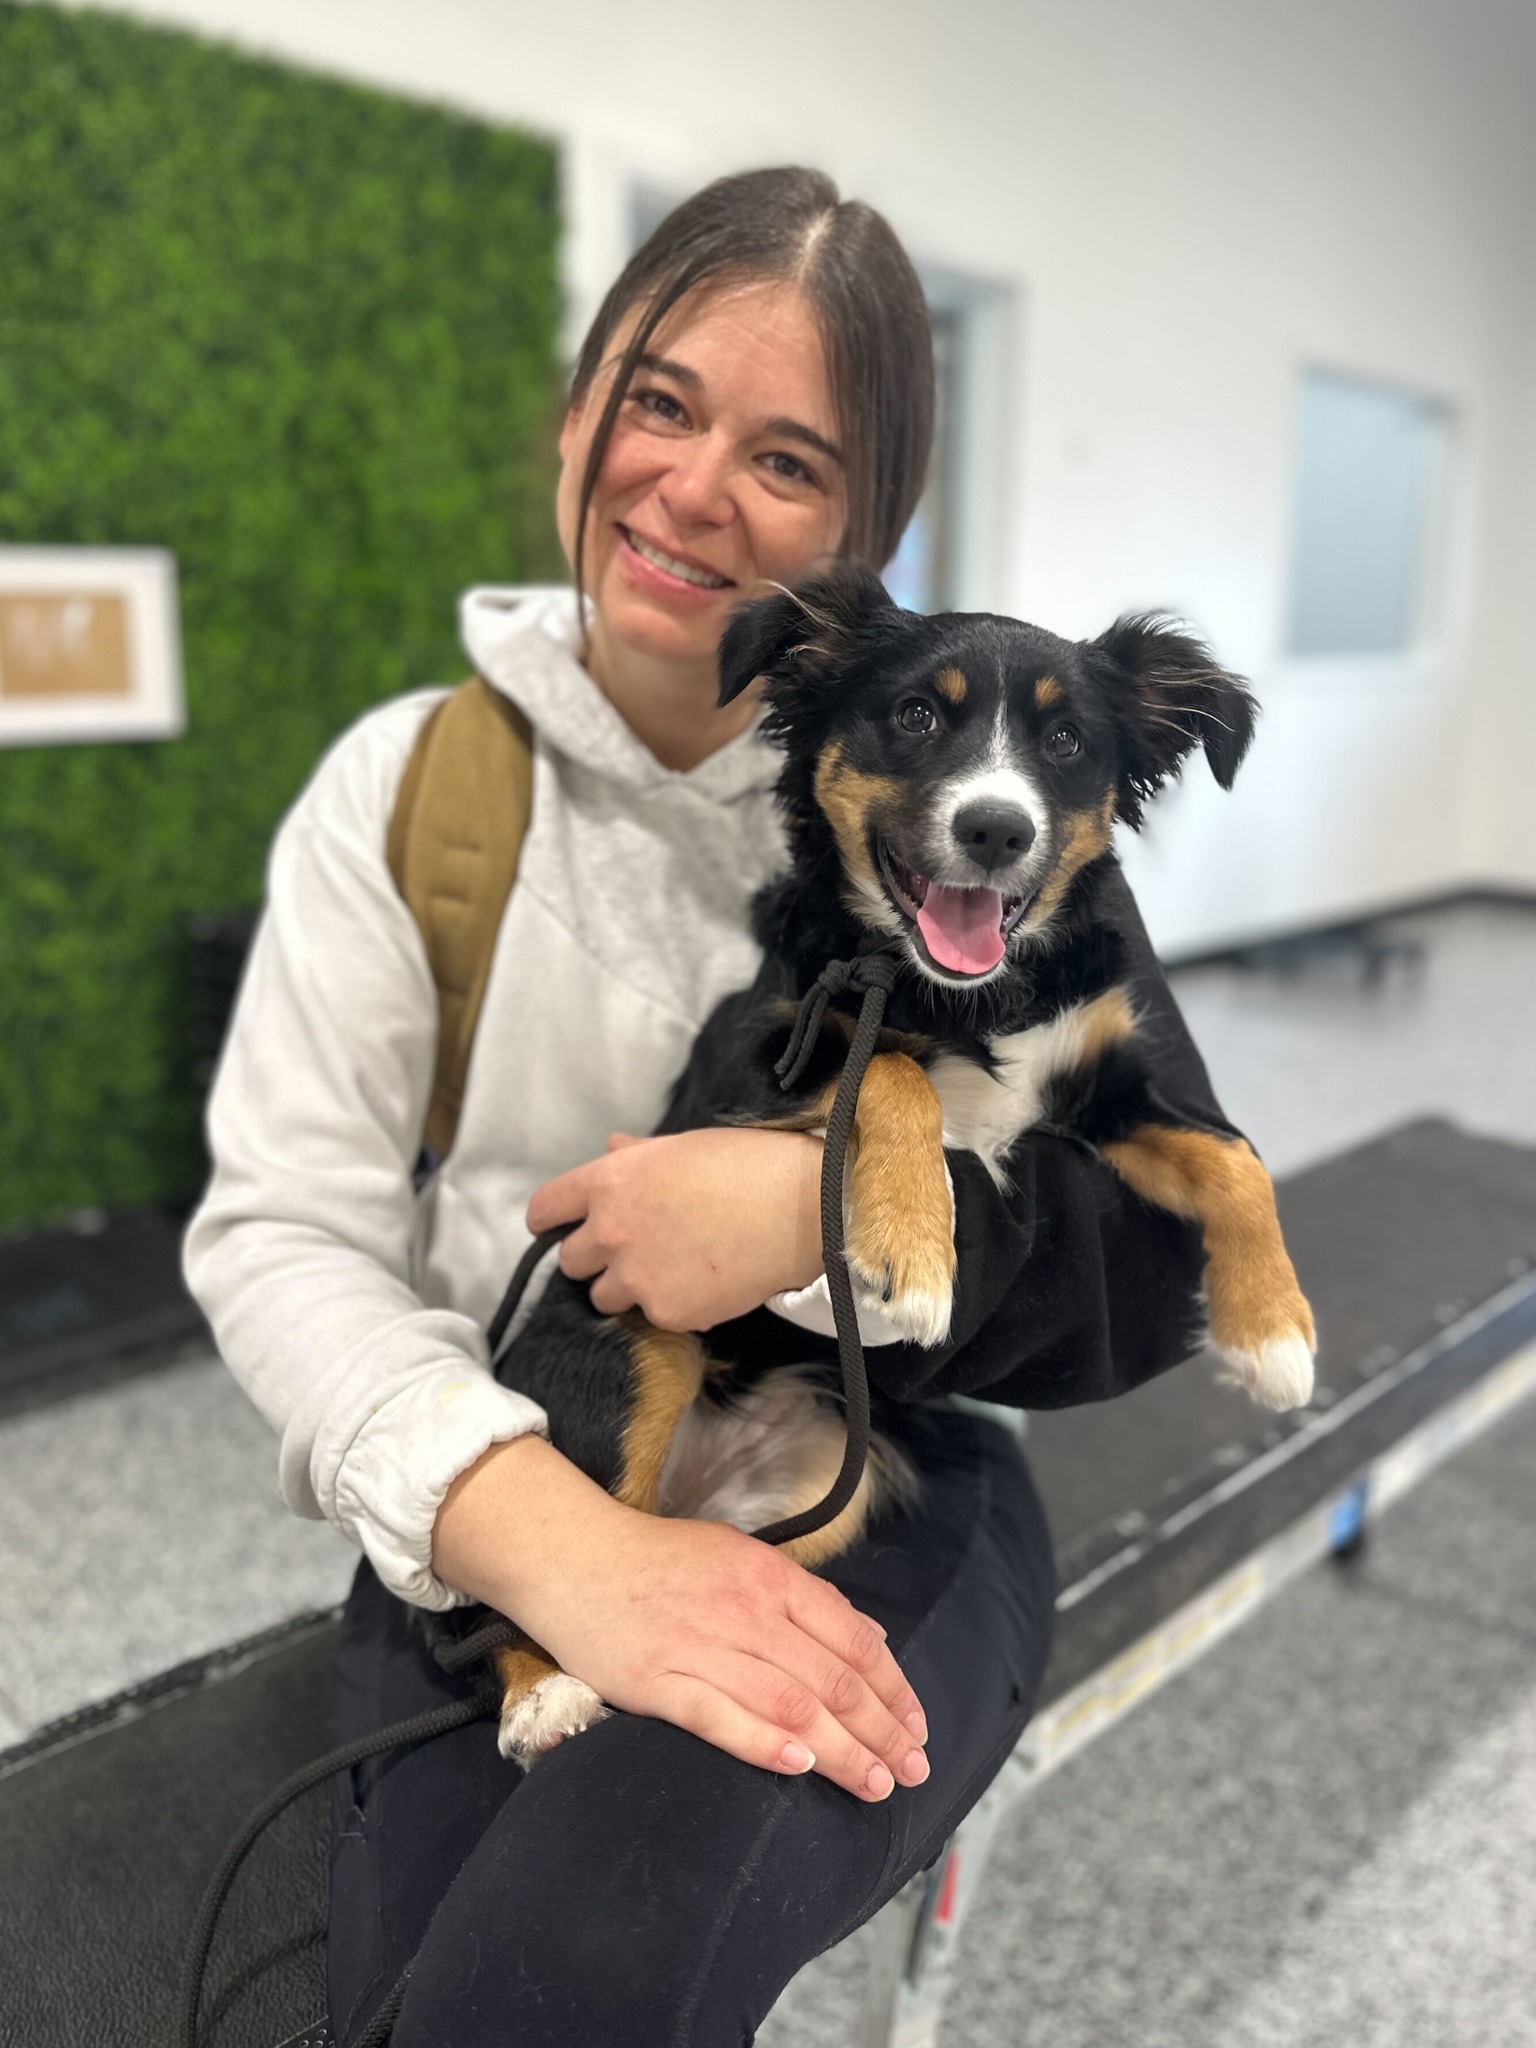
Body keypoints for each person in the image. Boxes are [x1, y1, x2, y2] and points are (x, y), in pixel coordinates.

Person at [185, 166, 1212, 2047]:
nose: (696, 489)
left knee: (567, 1981)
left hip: (879, 1464)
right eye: (659, 402)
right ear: (581, 412)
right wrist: (557, 1548)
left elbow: (1162, 1264)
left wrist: (833, 1223)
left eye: (792, 459)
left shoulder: (977, 820)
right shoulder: (405, 790)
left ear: (864, 528)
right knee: (411, 1996)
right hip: (502, 1466)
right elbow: (280, 1232)